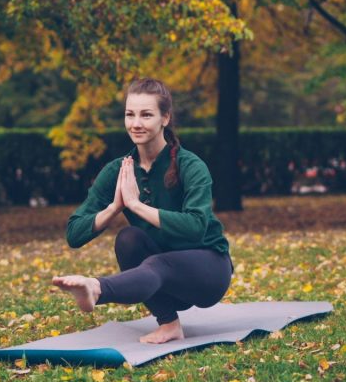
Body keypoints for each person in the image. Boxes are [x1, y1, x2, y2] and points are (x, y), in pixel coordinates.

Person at [52, 78, 233, 344]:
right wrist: (115, 207)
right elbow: (74, 233)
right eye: (130, 114)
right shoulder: (120, 170)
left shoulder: (191, 166)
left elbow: (196, 226)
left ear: (165, 118)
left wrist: (137, 205)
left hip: (207, 272)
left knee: (157, 264)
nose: (136, 123)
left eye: (146, 115)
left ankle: (97, 288)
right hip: (162, 279)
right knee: (128, 239)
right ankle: (169, 324)